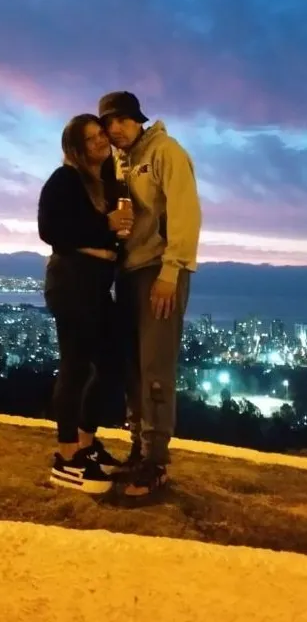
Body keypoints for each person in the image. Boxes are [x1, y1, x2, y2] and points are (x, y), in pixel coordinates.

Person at [98, 91, 202, 499]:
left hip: (159, 272)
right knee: (133, 368)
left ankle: (155, 461)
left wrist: (172, 271)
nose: (116, 130)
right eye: (109, 124)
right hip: (129, 272)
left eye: (122, 120)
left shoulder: (165, 152)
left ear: (137, 119)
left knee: (156, 367)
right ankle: (139, 450)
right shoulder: (120, 162)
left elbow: (185, 212)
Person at [38, 114, 133, 494]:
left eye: (100, 136)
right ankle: (66, 459)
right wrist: (107, 226)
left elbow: (103, 232)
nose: (100, 142)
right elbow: (51, 231)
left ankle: (86, 443)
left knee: (111, 364)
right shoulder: (64, 180)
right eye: (90, 138)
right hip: (72, 281)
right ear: (75, 147)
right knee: (75, 366)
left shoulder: (102, 181)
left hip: (96, 284)